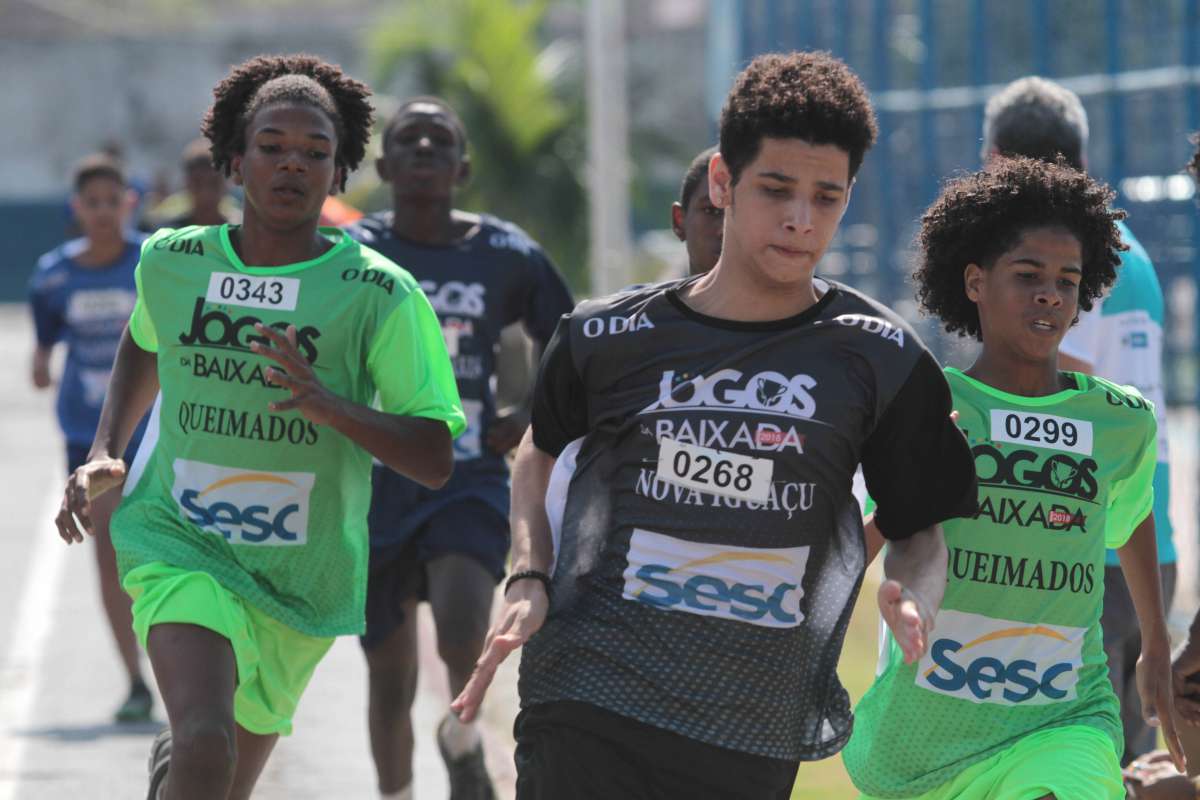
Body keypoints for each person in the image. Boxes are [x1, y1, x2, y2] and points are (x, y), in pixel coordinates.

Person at [451, 50, 979, 799]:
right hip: (589, 692)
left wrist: (913, 591)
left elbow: (920, 524)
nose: (801, 220)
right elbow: (539, 450)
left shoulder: (882, 356)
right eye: (776, 189)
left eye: (826, 198)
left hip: (748, 721)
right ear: (725, 184)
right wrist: (529, 573)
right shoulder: (605, 336)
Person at [55, 54, 465, 800]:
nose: (291, 165)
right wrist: (106, 449)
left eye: (315, 153)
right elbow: (149, 340)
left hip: (299, 574)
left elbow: (434, 455)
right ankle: (186, 757)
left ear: (339, 174)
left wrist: (329, 404)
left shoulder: (379, 293)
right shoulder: (173, 263)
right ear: (235, 161)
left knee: (219, 780)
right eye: (272, 146)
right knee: (206, 740)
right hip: (179, 537)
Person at [843, 156, 1183, 799]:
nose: (1050, 294)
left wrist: (1155, 643)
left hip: (1065, 718)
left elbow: (1129, 515)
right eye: (1027, 275)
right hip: (930, 735)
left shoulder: (1119, 420)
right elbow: (895, 530)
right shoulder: (931, 405)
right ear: (975, 281)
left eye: (1068, 280)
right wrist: (897, 596)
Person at [347, 95, 574, 800]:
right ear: (382, 164)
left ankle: (462, 738)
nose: (422, 151)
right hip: (372, 480)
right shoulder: (354, 251)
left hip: (466, 470)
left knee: (460, 623)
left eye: (438, 142)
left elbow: (569, 340)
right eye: (407, 140)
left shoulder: (504, 252)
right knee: (387, 672)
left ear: (462, 166)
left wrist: (528, 409)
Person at [981, 76, 1178, 766]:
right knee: (1127, 767)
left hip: (1079, 549)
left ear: (1000, 160)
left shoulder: (1059, 259)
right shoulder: (1132, 251)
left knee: (1059, 767)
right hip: (1150, 544)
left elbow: (1060, 392)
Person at [29, 153, 153, 722]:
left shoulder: (151, 264)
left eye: (114, 202)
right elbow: (44, 346)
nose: (104, 213)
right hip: (89, 435)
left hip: (156, 431)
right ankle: (134, 678)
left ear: (130, 204)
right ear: (78, 210)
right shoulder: (55, 275)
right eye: (93, 203)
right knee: (108, 558)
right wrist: (40, 362)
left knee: (159, 548)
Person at [671, 145, 723, 275]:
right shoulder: (638, 296)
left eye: (739, 214)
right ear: (679, 221)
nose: (725, 230)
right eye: (712, 211)